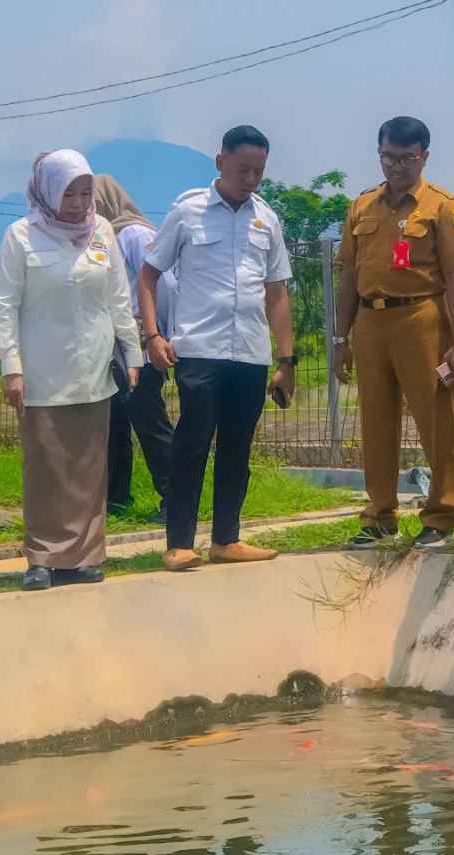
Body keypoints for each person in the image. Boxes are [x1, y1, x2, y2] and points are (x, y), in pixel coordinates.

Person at [139, 126, 296, 572]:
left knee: (237, 449)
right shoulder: (187, 213)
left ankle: (227, 538)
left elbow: (277, 291)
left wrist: (287, 361)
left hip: (249, 352)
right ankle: (179, 544)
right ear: (220, 161)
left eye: (259, 171)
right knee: (192, 443)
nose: (250, 179)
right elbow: (148, 275)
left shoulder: (266, 218)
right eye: (243, 168)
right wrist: (153, 335)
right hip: (199, 350)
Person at [0, 150, 143, 591]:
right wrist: (12, 368)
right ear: (47, 192)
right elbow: (4, 307)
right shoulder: (20, 236)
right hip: (41, 371)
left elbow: (119, 298)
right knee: (46, 466)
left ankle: (84, 555)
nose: (78, 204)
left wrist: (132, 355)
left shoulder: (102, 233)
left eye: (85, 193)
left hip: (95, 367)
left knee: (88, 466)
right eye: (68, 194)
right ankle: (41, 558)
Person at [333, 116, 454, 550]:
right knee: (375, 421)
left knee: (436, 420)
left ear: (424, 157)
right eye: (388, 157)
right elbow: (348, 276)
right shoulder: (361, 206)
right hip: (371, 322)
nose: (396, 167)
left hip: (422, 320)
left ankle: (442, 516)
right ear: (379, 152)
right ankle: (379, 517)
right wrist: (341, 339)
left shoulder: (442, 206)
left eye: (406, 158)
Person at [94, 175, 176, 524]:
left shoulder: (133, 233)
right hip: (113, 347)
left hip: (140, 345)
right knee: (114, 424)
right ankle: (116, 499)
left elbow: (166, 285)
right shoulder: (101, 237)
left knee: (150, 422)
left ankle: (176, 496)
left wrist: (158, 334)